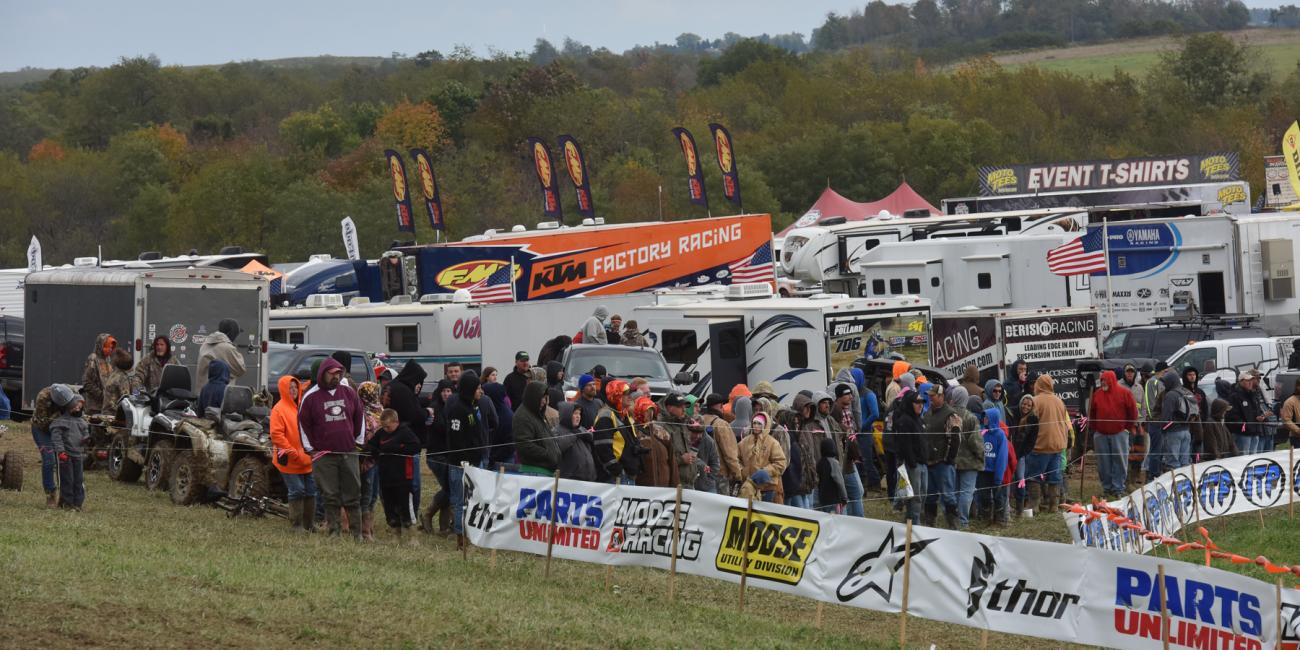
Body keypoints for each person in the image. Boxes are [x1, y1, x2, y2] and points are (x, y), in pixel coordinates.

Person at [298, 358, 365, 539]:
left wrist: (357, 442)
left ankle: (356, 533)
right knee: (330, 495)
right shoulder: (311, 396)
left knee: (353, 493)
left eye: (338, 373)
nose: (336, 376)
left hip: (348, 451)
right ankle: (333, 532)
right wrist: (310, 449)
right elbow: (303, 424)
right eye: (332, 373)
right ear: (323, 374)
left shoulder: (349, 393)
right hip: (324, 455)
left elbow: (359, 416)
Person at [367, 409, 422, 542]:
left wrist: (396, 449)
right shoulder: (381, 433)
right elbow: (371, 445)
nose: (386, 429)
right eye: (383, 426)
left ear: (396, 422)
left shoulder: (405, 432)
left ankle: (412, 536)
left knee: (405, 506)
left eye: (388, 426)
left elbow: (416, 447)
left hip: (403, 478)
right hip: (386, 477)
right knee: (389, 506)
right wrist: (374, 451)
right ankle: (395, 534)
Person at [444, 372, 485, 544]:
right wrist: (465, 459)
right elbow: (456, 439)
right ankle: (461, 538)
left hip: (473, 463)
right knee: (461, 502)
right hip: (460, 465)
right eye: (477, 388)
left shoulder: (472, 407)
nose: (480, 391)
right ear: (469, 389)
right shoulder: (458, 409)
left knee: (472, 501)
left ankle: (471, 533)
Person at [271, 374, 315, 532]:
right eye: (290, 388)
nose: (293, 390)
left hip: (306, 458)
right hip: (289, 459)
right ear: (283, 390)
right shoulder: (278, 409)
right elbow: (277, 435)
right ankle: (296, 525)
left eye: (295, 387)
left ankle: (309, 524)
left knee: (311, 490)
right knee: (297, 489)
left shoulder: (302, 405)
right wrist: (293, 452)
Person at [386, 361, 427, 521]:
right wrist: (426, 413)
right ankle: (410, 518)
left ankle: (395, 516)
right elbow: (414, 415)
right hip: (406, 446)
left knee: (391, 485)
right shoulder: (404, 391)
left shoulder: (392, 387)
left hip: (389, 443)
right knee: (412, 485)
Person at [1088, 370, 1139, 499]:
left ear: (1111, 380)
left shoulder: (1124, 393)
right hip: (1101, 434)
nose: (1103, 382)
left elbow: (1133, 412)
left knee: (1120, 461)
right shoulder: (1097, 394)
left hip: (1119, 433)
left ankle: (1118, 488)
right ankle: (1107, 487)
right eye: (1102, 380)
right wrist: (1096, 429)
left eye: (1105, 380)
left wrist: (1126, 428)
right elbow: (1092, 413)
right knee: (1103, 462)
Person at [1026, 375, 1068, 513]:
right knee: (1054, 477)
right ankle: (1054, 506)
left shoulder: (1035, 401)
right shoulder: (1059, 401)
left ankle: (1034, 505)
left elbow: (1030, 423)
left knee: (1034, 477)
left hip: (1040, 445)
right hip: (1057, 445)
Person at [948, 386, 984, 529]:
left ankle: (954, 520)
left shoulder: (948, 415)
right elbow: (975, 441)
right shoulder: (970, 417)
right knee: (966, 493)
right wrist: (981, 455)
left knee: (955, 492)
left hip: (951, 461)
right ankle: (963, 522)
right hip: (969, 462)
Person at [593, 380, 643, 484]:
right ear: (616, 396)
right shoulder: (605, 416)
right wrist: (618, 471)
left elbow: (629, 440)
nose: (630, 397)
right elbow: (603, 449)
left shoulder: (623, 414)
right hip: (616, 479)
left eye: (630, 393)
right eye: (626, 394)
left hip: (628, 475)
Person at [49, 384, 88, 511]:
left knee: (79, 480)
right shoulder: (60, 422)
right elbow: (56, 438)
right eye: (75, 405)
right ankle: (67, 503)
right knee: (67, 479)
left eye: (79, 405)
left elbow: (85, 434)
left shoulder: (82, 422)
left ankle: (78, 503)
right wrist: (60, 451)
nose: (78, 407)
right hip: (66, 456)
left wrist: (86, 440)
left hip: (78, 455)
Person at [829, 384, 866, 516]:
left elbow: (852, 434)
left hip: (850, 458)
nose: (851, 396)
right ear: (839, 396)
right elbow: (844, 437)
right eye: (847, 394)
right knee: (856, 492)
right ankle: (857, 522)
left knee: (854, 493)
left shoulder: (848, 410)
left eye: (851, 394)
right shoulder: (835, 411)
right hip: (844, 460)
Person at [355, 381, 385, 541]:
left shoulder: (380, 410)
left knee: (374, 495)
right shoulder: (360, 413)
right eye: (374, 392)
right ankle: (364, 531)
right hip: (366, 460)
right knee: (366, 495)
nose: (376, 395)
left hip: (379, 459)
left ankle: (370, 528)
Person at [892, 390, 927, 524]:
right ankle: (913, 524)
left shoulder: (919, 419)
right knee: (915, 497)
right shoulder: (904, 421)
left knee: (923, 494)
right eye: (917, 402)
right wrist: (912, 463)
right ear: (909, 403)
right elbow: (904, 444)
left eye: (922, 402)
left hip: (923, 463)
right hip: (913, 465)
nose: (920, 405)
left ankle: (910, 521)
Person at [739, 412, 787, 502]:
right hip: (748, 485)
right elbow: (736, 459)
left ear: (765, 425)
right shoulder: (744, 442)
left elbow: (781, 463)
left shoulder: (772, 443)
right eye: (754, 423)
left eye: (759, 424)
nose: (756, 426)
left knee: (762, 514)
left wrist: (765, 472)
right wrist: (742, 470)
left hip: (767, 487)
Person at [514, 381, 559, 475]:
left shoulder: (536, 413)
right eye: (542, 397)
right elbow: (524, 445)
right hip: (534, 472)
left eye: (545, 397)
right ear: (533, 396)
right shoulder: (523, 416)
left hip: (544, 471)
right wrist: (548, 454)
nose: (544, 401)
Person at [701, 393, 742, 493]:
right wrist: (738, 475)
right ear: (720, 406)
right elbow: (730, 454)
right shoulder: (721, 424)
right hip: (719, 475)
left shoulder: (700, 420)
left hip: (701, 473)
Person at [633, 396, 677, 487]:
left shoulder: (661, 431)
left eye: (652, 411)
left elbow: (672, 461)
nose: (649, 414)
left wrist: (675, 485)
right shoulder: (632, 431)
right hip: (643, 488)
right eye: (646, 411)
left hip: (664, 488)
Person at [29, 384, 62, 507]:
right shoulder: (43, 397)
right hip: (42, 430)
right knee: (49, 460)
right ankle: (50, 494)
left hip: (60, 429)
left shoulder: (71, 396)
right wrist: (58, 416)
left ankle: (66, 494)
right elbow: (42, 423)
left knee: (64, 460)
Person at [1227, 370, 1272, 455]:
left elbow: (1257, 411)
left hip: (1255, 432)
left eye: (1251, 380)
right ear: (1241, 381)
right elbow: (1232, 416)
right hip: (1243, 434)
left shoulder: (1253, 394)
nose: (1250, 382)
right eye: (1247, 380)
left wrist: (1262, 417)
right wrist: (1245, 427)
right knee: (1243, 458)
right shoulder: (1234, 396)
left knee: (1253, 459)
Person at [977, 407, 1010, 526]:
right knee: (984, 495)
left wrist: (999, 475)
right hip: (983, 471)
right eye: (984, 417)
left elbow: (1002, 456)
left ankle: (1000, 519)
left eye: (987, 417)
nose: (984, 419)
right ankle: (986, 518)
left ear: (992, 419)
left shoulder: (1000, 435)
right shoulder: (981, 432)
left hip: (995, 472)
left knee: (998, 496)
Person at [1157, 370, 1196, 470]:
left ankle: (1175, 485)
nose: (1164, 384)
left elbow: (1166, 416)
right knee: (1185, 463)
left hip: (1173, 432)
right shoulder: (1187, 392)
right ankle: (1184, 484)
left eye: (1165, 382)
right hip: (1187, 431)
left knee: (1173, 464)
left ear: (1170, 381)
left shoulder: (1171, 395)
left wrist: (1162, 429)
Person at [197, 319, 245, 394]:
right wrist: (234, 349)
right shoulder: (227, 347)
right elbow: (241, 369)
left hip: (203, 392)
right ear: (231, 333)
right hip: (220, 395)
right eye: (236, 334)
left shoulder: (205, 344)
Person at [660, 393, 698, 488]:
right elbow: (661, 460)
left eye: (684, 406)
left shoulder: (683, 424)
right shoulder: (661, 427)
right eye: (680, 407)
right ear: (669, 408)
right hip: (674, 485)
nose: (684, 410)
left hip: (689, 483)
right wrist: (681, 459)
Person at [1011, 395, 1039, 515]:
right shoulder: (1013, 414)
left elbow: (1031, 442)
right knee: (1007, 479)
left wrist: (1021, 454)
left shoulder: (1033, 420)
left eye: (1029, 405)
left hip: (1021, 454)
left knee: (1020, 479)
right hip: (1009, 452)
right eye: (1024, 403)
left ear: (1032, 407)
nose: (1025, 407)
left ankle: (1020, 508)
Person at [557, 401, 596, 481]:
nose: (578, 416)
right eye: (575, 413)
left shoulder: (581, 429)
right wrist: (575, 435)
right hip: (570, 480)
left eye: (579, 413)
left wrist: (589, 436)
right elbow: (558, 446)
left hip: (588, 480)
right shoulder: (558, 430)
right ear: (567, 414)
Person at [80, 333, 116, 415]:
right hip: (94, 408)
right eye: (108, 346)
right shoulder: (93, 359)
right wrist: (102, 395)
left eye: (111, 347)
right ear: (101, 345)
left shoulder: (108, 359)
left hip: (106, 407)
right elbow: (87, 383)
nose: (110, 349)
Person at [482, 381, 514, 468]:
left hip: (503, 462)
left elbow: (510, 444)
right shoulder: (493, 410)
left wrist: (492, 458)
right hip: (495, 459)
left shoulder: (506, 416)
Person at [816, 437, 847, 513]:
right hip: (833, 500)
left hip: (823, 498)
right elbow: (840, 481)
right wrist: (844, 497)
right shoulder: (834, 463)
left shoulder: (819, 463)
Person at [101, 349, 135, 416]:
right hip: (115, 415)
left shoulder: (114, 374)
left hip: (107, 412)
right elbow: (126, 399)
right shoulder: (122, 378)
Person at [1281, 380, 1300, 450]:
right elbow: (1286, 420)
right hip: (1297, 438)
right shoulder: (1290, 402)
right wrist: (1298, 430)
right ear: (1298, 387)